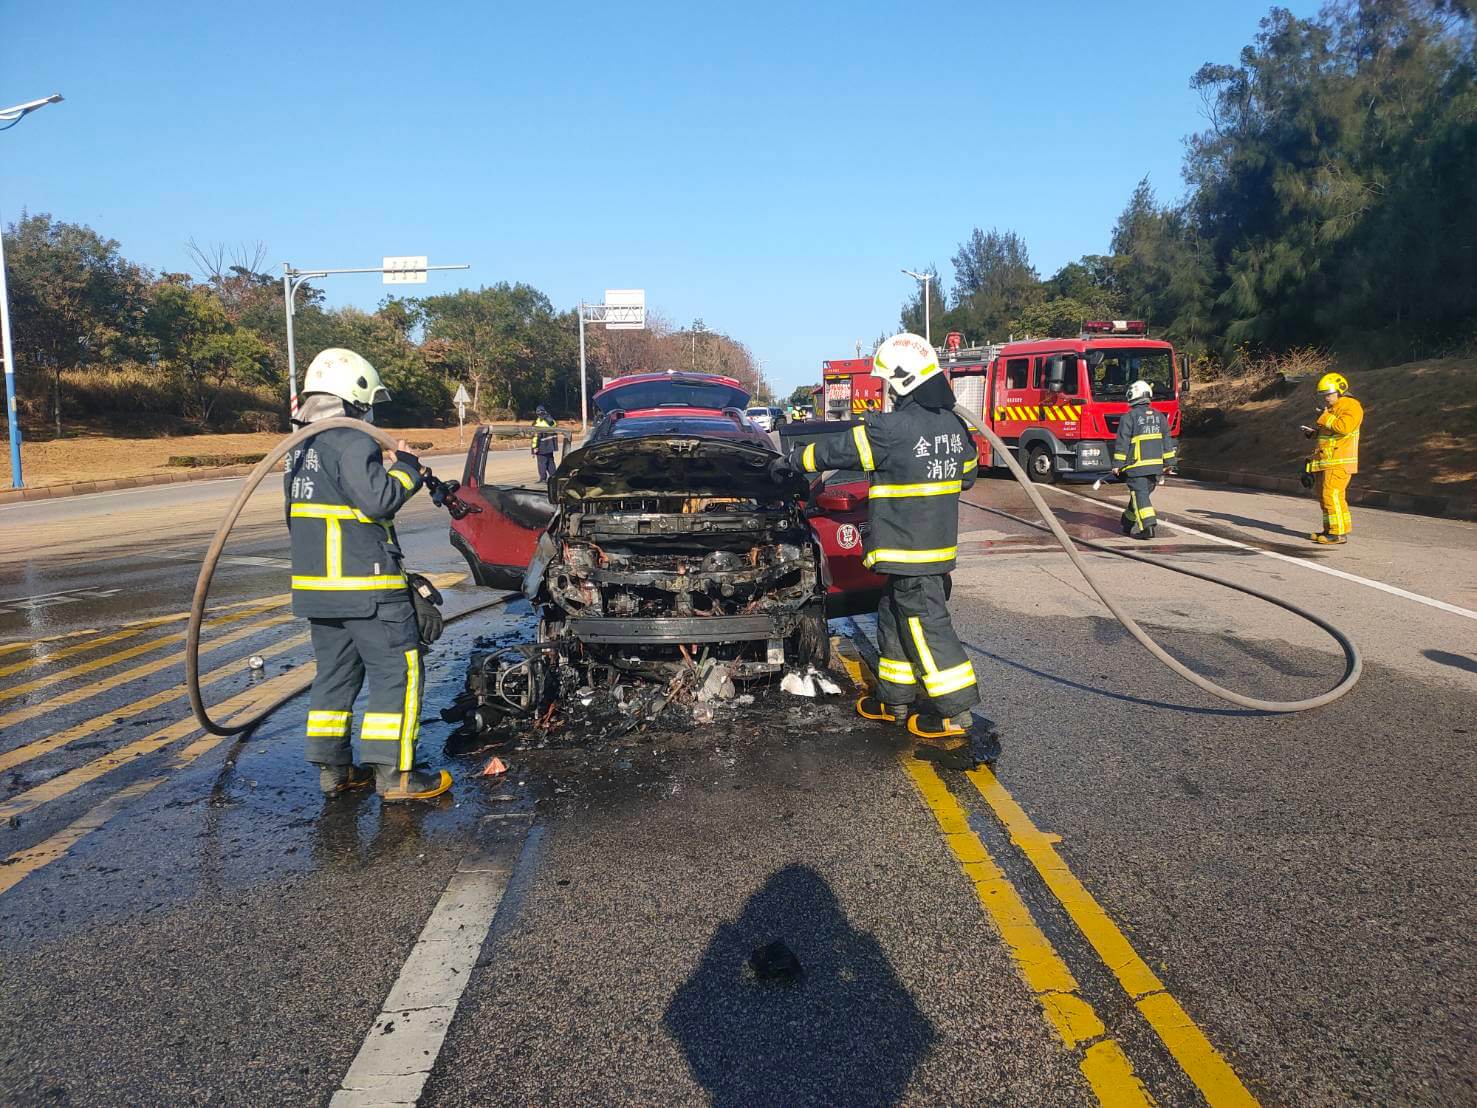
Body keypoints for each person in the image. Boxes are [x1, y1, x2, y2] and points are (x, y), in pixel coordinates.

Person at [786, 332, 982, 764]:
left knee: (926, 625)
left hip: (907, 551)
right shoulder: (953, 427)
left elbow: (837, 450)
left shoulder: (889, 430)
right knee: (893, 615)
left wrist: (793, 460)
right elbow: (967, 473)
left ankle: (955, 711)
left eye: (888, 384)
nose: (886, 391)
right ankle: (893, 700)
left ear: (903, 380)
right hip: (931, 549)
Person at [286, 348, 452, 802]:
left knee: (335, 677)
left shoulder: (300, 450)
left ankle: (335, 772)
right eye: (368, 403)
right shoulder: (350, 440)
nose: (370, 412)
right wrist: (407, 470)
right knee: (398, 674)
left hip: (320, 593)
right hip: (367, 590)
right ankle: (397, 777)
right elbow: (378, 500)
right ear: (354, 396)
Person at [1301, 371, 1363, 544]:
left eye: (1328, 394)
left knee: (1332, 495)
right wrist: (1314, 433)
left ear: (1340, 390)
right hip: (1326, 461)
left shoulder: (1351, 406)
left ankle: (1337, 533)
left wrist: (1326, 416)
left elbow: (1344, 427)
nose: (1326, 398)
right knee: (1324, 496)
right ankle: (1329, 529)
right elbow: (1331, 433)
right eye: (1323, 395)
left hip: (1339, 462)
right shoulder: (1333, 409)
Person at [1111, 379, 1177, 540]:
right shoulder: (1159, 417)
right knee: (1140, 495)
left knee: (1140, 496)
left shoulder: (1129, 417)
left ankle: (1148, 526)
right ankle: (1126, 523)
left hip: (1136, 466)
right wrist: (1170, 463)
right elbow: (1167, 442)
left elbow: (1122, 443)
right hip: (1155, 468)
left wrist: (1117, 465)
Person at [532, 405, 559, 482]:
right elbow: (555, 427)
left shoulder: (538, 422)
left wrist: (535, 447)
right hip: (550, 446)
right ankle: (554, 477)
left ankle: (543, 478)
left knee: (541, 463)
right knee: (550, 462)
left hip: (541, 446)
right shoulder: (551, 421)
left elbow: (536, 437)